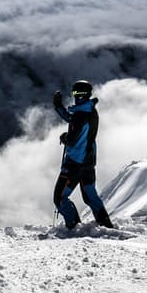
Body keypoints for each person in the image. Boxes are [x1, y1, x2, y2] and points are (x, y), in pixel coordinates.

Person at [52, 79, 115, 230]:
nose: (77, 96)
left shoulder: (80, 115)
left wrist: (64, 138)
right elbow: (72, 120)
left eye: (78, 93)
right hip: (89, 162)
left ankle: (73, 226)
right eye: (75, 92)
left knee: (60, 197)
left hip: (74, 162)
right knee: (89, 195)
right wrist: (59, 107)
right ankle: (105, 224)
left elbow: (72, 139)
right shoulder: (90, 111)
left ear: (86, 94)